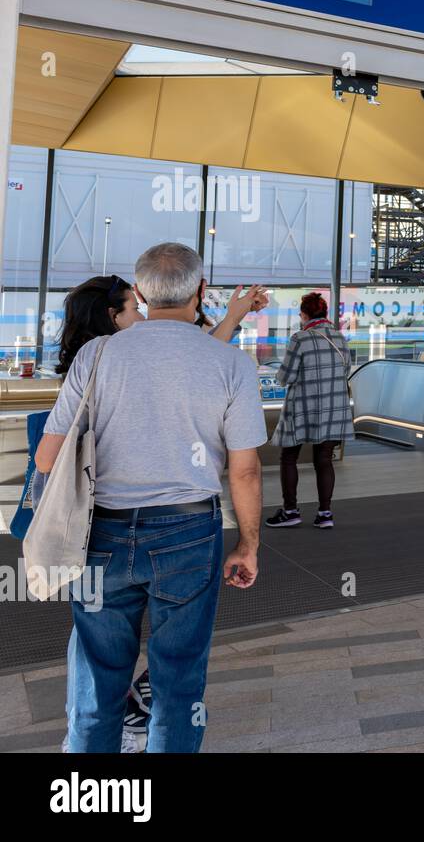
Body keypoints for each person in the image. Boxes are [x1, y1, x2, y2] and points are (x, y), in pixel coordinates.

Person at [17, 274, 268, 752]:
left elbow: (48, 459)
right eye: (129, 308)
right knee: (179, 677)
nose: (137, 315)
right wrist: (249, 544)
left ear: (146, 292)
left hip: (101, 532)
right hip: (188, 529)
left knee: (97, 674)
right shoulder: (227, 364)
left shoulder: (96, 359)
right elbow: (245, 468)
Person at [266, 292, 354, 529]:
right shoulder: (340, 339)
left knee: (288, 458)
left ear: (304, 314)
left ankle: (291, 511)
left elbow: (286, 376)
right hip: (334, 409)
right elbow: (345, 371)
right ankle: (325, 514)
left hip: (302, 409)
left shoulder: (300, 338)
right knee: (324, 460)